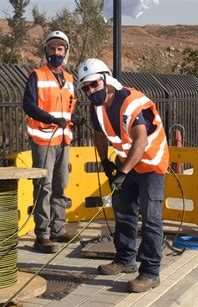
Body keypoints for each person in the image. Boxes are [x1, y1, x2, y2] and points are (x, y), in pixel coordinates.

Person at [77, 58, 169, 293]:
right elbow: (99, 134)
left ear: (106, 80)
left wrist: (123, 172)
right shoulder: (96, 107)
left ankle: (150, 272)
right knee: (124, 211)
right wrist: (106, 161)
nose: (90, 91)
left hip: (151, 164)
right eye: (85, 88)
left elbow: (140, 140)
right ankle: (125, 259)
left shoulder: (131, 102)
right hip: (126, 162)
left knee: (151, 219)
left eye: (93, 85)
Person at [23, 30, 79, 253]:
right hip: (43, 140)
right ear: (46, 51)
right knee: (43, 187)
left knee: (60, 185)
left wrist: (74, 119)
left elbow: (67, 109)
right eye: (52, 49)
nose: (56, 53)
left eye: (60, 49)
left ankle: (58, 228)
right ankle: (42, 235)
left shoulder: (69, 79)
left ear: (65, 52)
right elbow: (29, 106)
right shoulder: (37, 75)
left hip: (64, 140)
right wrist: (51, 119)